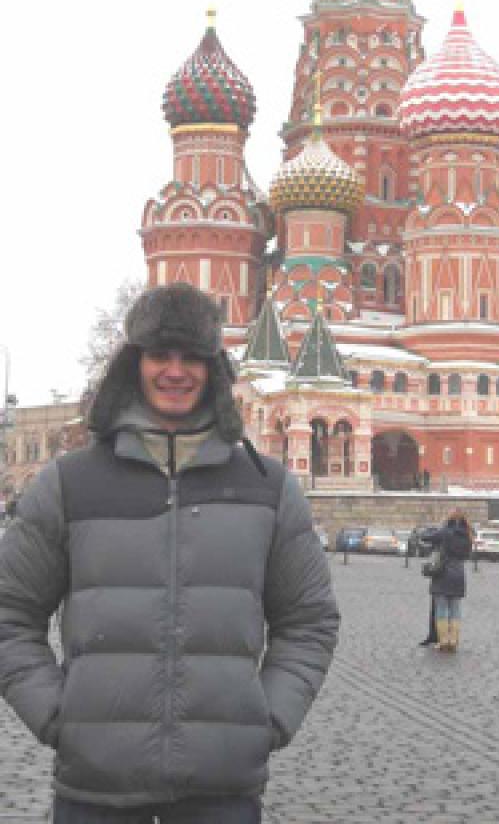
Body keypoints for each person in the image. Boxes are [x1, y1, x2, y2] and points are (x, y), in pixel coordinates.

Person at [0, 283, 340, 823]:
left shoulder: (266, 486)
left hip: (222, 788)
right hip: (96, 788)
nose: (175, 371)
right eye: (160, 354)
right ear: (133, 365)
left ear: (214, 370)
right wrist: (57, 715)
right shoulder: (71, 483)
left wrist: (269, 717)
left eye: (192, 357)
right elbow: (10, 613)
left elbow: (309, 620)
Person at [424, 511, 473, 652]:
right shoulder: (468, 536)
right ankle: (454, 641)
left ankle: (444, 641)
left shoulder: (445, 532)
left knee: (441, 609)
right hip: (459, 575)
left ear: (449, 520)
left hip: (443, 574)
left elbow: (426, 538)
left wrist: (436, 529)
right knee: (455, 610)